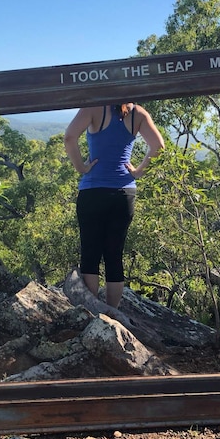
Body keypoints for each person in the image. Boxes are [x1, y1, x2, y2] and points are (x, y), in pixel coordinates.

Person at [64, 102, 165, 308]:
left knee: (90, 255)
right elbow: (158, 147)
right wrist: (138, 172)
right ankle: (112, 315)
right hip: (124, 193)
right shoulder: (139, 113)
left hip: (93, 190)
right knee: (114, 255)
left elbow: (69, 137)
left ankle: (93, 313)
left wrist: (81, 167)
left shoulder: (93, 108)